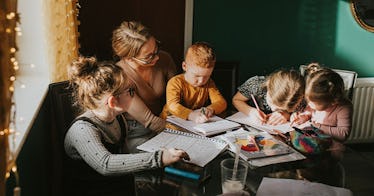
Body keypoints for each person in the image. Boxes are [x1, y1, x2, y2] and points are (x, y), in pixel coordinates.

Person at [64, 57, 189, 195]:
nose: (134, 94)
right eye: (130, 91)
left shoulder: (119, 119)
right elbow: (106, 164)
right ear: (113, 102)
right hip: (91, 189)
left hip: (117, 183)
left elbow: (124, 155)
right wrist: (158, 158)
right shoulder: (82, 130)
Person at [112, 21, 177, 152]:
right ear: (129, 58)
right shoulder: (119, 76)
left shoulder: (165, 59)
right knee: (152, 162)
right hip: (137, 131)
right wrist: (184, 130)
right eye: (149, 56)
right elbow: (149, 120)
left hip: (166, 119)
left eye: (156, 48)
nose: (157, 57)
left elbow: (178, 93)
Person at [291, 63, 353, 159]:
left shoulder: (344, 107)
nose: (309, 105)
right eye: (308, 101)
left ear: (333, 102)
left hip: (331, 148)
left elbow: (343, 134)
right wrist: (303, 116)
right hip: (311, 142)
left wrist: (317, 126)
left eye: (314, 105)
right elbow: (309, 113)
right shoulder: (315, 99)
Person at [160, 42, 227, 123]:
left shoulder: (209, 83)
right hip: (168, 123)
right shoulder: (175, 82)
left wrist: (210, 109)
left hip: (190, 124)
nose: (201, 81)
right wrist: (191, 115)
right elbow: (173, 106)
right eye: (197, 76)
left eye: (206, 76)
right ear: (185, 66)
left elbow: (221, 102)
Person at [232, 69, 305, 125]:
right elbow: (236, 100)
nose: (273, 109)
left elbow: (302, 114)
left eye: (280, 109)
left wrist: (287, 115)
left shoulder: (300, 96)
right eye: (271, 102)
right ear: (268, 87)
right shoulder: (256, 84)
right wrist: (250, 111)